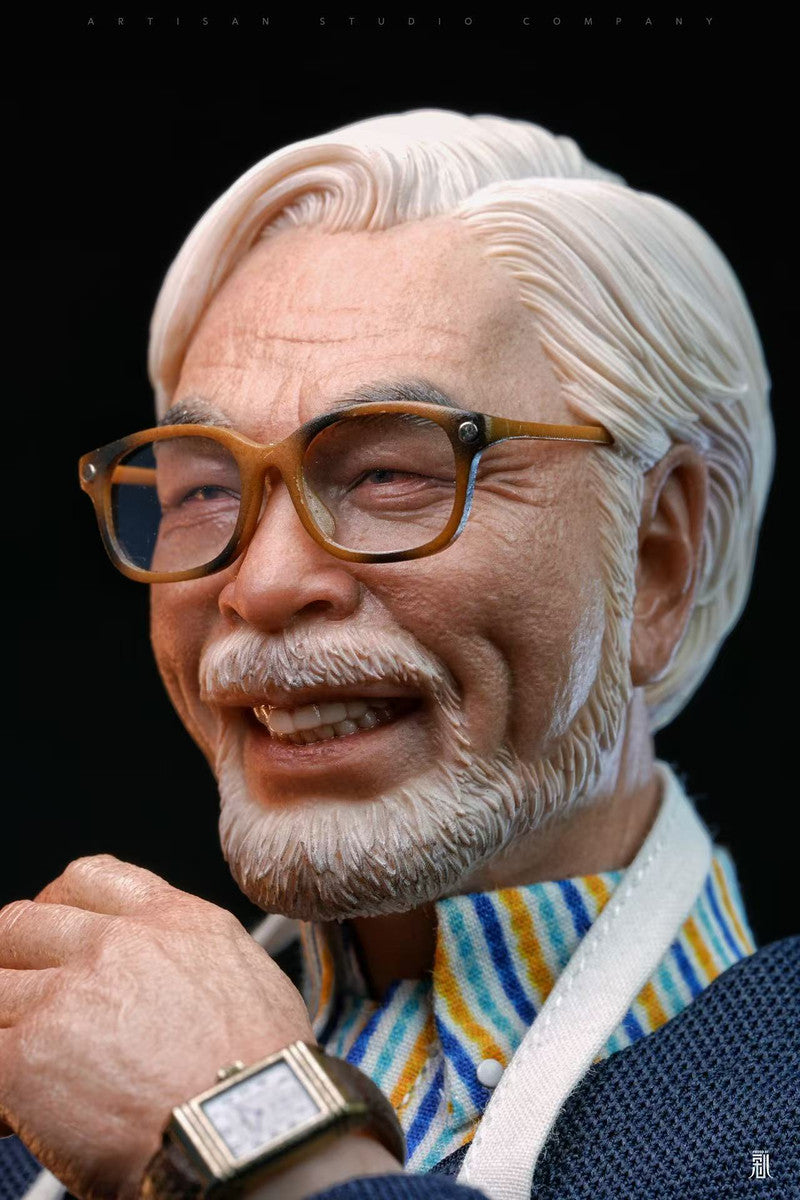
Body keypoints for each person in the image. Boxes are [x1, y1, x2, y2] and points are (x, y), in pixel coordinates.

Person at [1, 109, 796, 1200]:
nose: (260, 584)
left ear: (658, 557)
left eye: (390, 474)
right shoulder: (37, 1102)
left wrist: (257, 1132)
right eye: (205, 490)